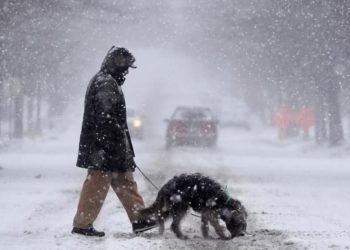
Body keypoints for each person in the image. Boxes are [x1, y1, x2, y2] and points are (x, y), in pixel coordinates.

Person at [72, 46, 155, 237]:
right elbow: (106, 118)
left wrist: (122, 147)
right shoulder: (105, 83)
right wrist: (113, 145)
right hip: (103, 147)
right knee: (97, 184)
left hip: (110, 146)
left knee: (125, 181)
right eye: (124, 67)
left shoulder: (107, 81)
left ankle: (140, 219)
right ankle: (82, 224)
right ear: (116, 64)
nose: (126, 72)